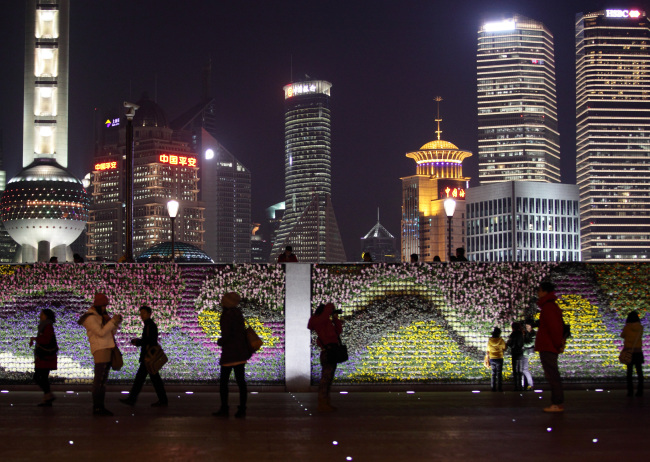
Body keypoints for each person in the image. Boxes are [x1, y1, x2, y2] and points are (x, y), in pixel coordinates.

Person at [78, 293, 122, 416]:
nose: (105, 308)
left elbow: (110, 331)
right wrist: (112, 321)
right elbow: (101, 333)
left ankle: (100, 406)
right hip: (100, 349)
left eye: (105, 306)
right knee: (99, 379)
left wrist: (115, 323)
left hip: (107, 348)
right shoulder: (90, 317)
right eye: (103, 306)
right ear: (97, 305)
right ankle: (97, 407)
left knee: (103, 380)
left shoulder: (100, 316)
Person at [119, 306, 168, 407]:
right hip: (147, 357)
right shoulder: (148, 325)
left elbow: (150, 341)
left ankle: (132, 399)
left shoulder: (150, 325)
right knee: (151, 379)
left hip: (147, 358)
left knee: (142, 379)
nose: (142, 315)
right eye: (141, 313)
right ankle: (162, 400)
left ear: (149, 313)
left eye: (144, 313)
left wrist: (138, 342)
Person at [213, 292, 250, 418]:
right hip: (240, 352)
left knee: (224, 382)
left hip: (230, 352)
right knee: (241, 381)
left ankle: (224, 408)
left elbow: (227, 335)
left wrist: (220, 341)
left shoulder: (227, 315)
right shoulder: (238, 313)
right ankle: (242, 409)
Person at [535, 281, 565, 412]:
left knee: (552, 375)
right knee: (552, 374)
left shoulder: (548, 308)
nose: (538, 293)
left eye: (540, 290)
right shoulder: (550, 307)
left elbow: (554, 328)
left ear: (545, 292)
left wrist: (558, 344)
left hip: (548, 346)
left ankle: (556, 403)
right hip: (549, 345)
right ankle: (556, 403)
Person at [308, 303, 343, 412]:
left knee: (328, 378)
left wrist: (335, 319)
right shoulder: (318, 321)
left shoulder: (326, 322)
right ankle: (322, 403)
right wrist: (330, 306)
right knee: (325, 378)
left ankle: (326, 402)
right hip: (327, 352)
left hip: (332, 350)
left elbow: (338, 332)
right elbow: (325, 313)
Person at [30, 308, 58, 406]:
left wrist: (35, 339)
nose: (40, 316)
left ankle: (48, 395)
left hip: (45, 357)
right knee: (43, 377)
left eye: (41, 314)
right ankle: (47, 398)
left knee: (38, 377)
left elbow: (46, 340)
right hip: (45, 357)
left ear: (46, 316)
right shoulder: (45, 326)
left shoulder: (47, 326)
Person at [621, 311, 644, 397]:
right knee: (639, 372)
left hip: (629, 352)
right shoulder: (640, 327)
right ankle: (640, 391)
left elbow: (622, 335)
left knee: (629, 372)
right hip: (638, 352)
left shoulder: (627, 328)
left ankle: (630, 392)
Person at [506, 322, 525, 391]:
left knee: (515, 370)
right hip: (520, 353)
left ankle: (516, 386)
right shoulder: (521, 333)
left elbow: (511, 343)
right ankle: (521, 385)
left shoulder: (513, 334)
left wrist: (508, 344)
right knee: (520, 370)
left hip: (515, 352)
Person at [486, 327, 506, 392]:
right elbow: (504, 347)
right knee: (499, 373)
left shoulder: (490, 340)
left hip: (492, 358)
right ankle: (499, 388)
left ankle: (493, 388)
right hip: (499, 357)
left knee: (493, 373)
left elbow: (488, 349)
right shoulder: (501, 340)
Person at [522, 319, 536, 390]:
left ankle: (530, 384)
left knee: (524, 369)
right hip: (524, 352)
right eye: (526, 326)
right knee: (523, 369)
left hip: (526, 353)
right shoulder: (526, 332)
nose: (527, 327)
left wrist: (523, 344)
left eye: (528, 325)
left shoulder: (532, 333)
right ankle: (525, 384)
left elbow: (531, 343)